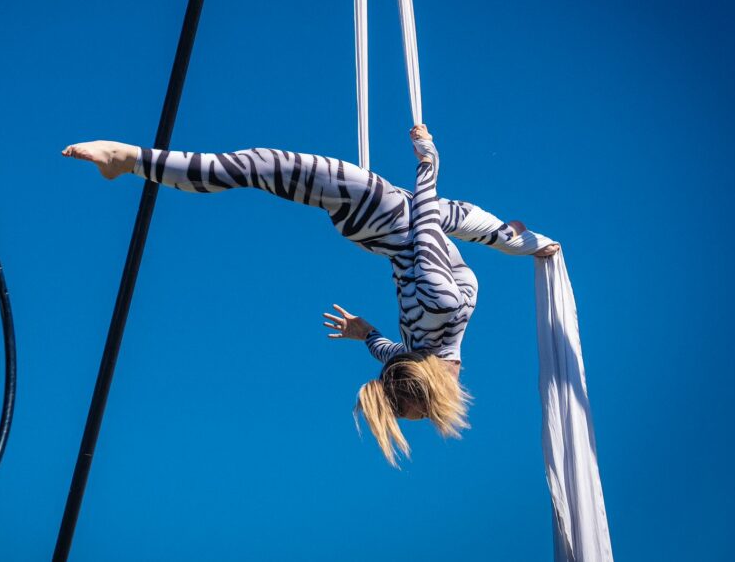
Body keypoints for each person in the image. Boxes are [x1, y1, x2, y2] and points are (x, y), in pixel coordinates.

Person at [62, 126, 558, 465]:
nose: (432, 413)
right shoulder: (432, 339)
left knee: (251, 166)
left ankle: (127, 160)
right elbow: (392, 346)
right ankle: (515, 237)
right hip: (394, 221)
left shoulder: (440, 313)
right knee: (476, 225)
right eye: (425, 412)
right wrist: (365, 334)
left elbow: (424, 223)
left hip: (376, 207)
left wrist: (429, 161)